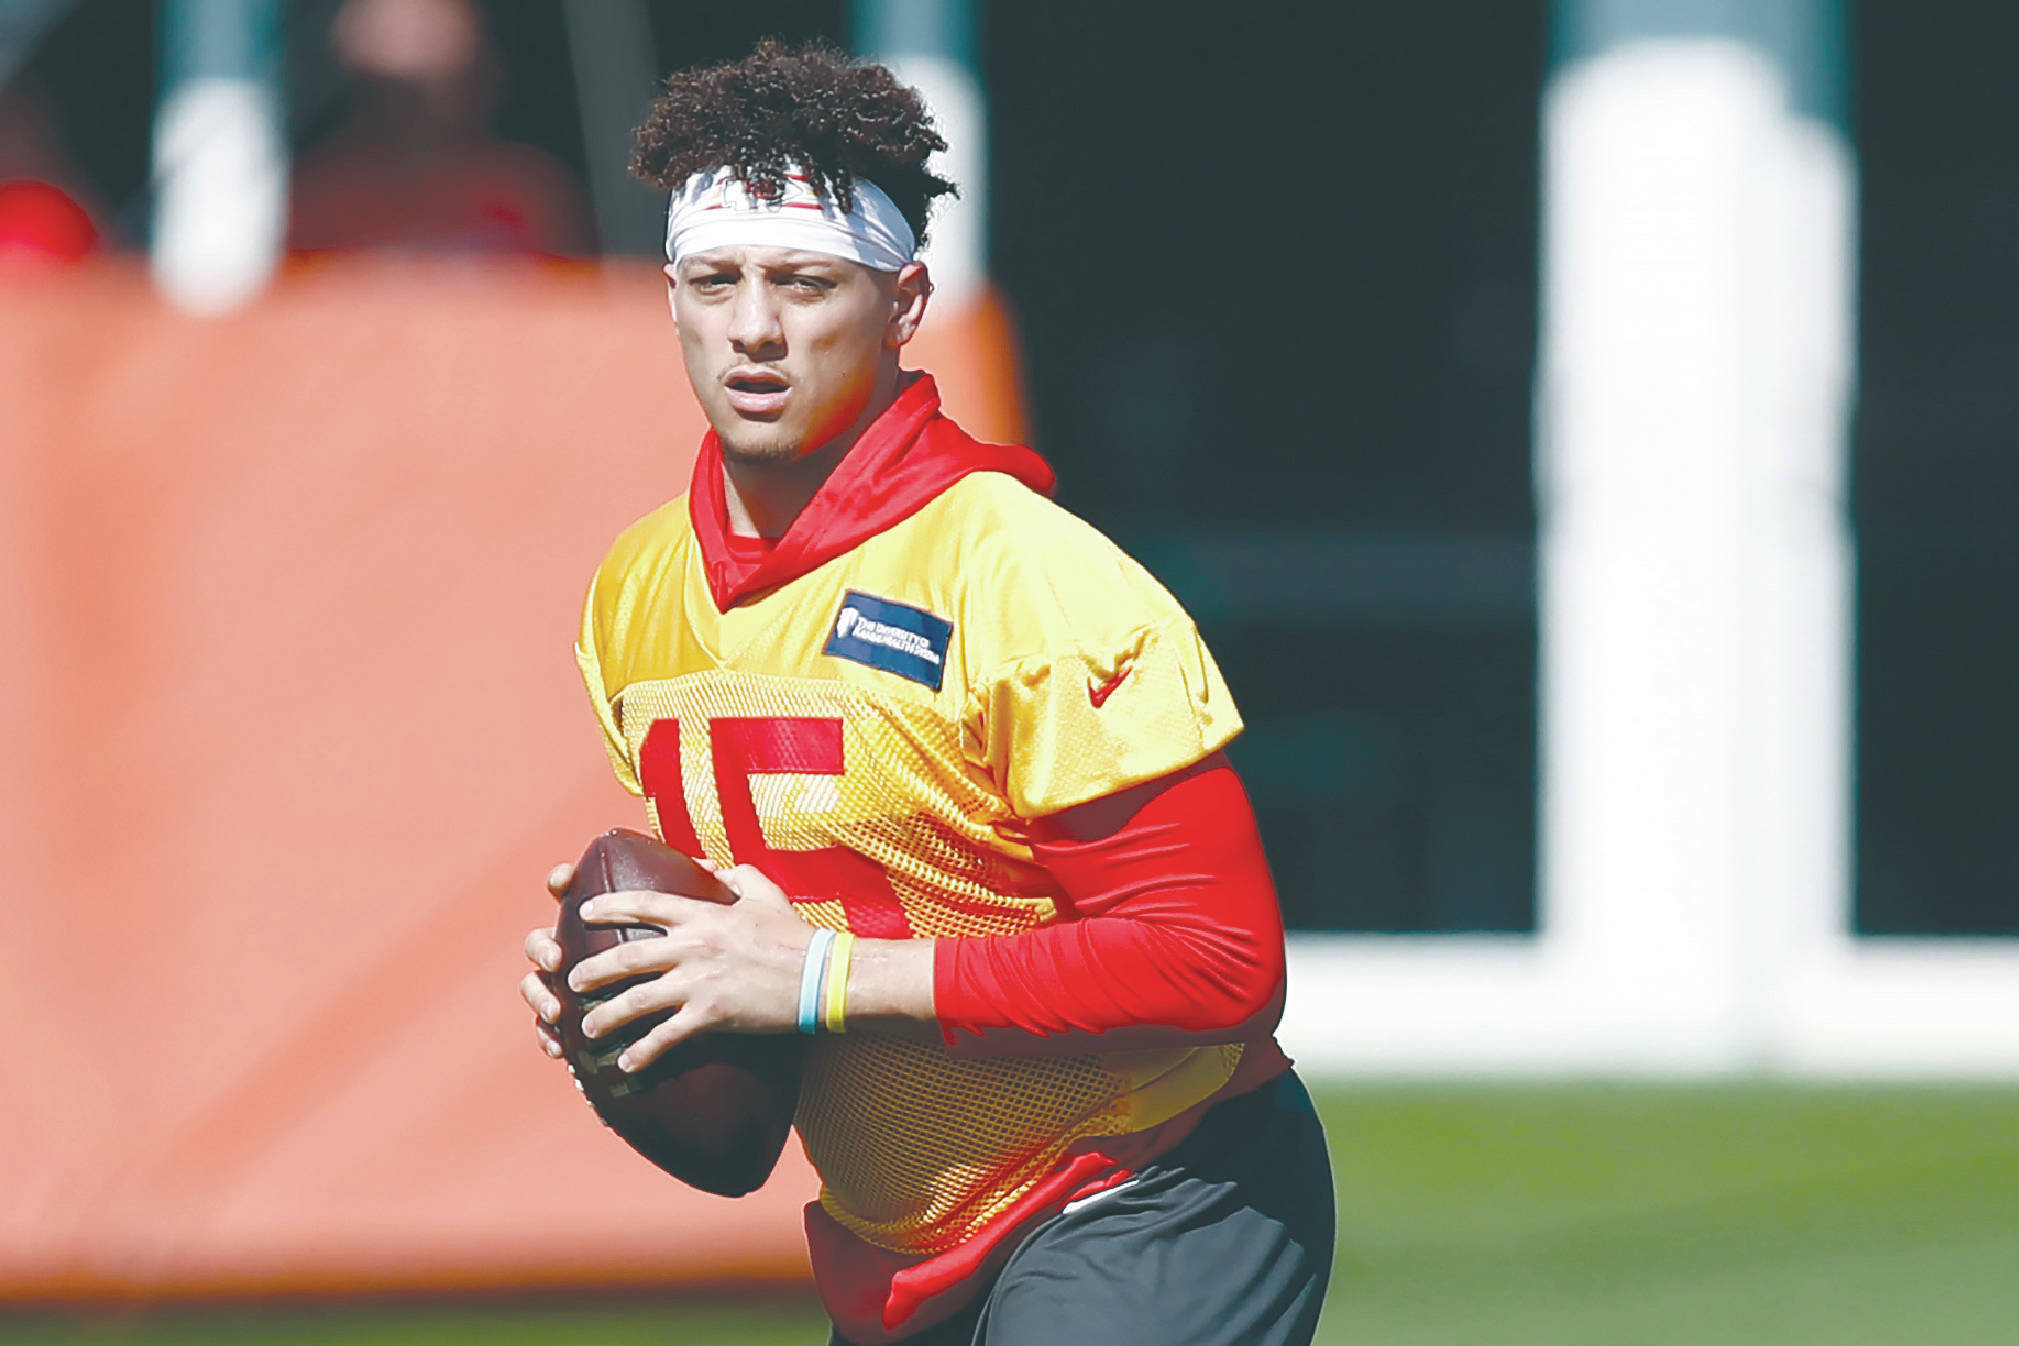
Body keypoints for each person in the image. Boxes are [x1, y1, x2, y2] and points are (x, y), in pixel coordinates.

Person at [518, 41, 1333, 1346]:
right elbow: (771, 930)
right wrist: (645, 993)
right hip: (899, 1237)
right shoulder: (635, 590)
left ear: (903, 303)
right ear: (668, 296)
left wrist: (825, 978)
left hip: (1145, 1181)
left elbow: (1217, 960)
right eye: (716, 281)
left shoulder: (1023, 576)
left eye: (804, 281)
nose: (756, 327)